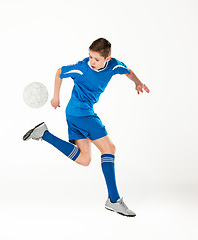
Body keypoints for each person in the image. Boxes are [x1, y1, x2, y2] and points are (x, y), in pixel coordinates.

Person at [23, 38, 150, 217]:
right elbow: (60, 72)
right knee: (109, 148)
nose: (91, 61)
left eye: (96, 59)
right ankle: (114, 200)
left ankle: (44, 134)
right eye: (90, 56)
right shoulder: (82, 68)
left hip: (76, 114)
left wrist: (137, 82)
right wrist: (55, 97)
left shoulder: (114, 66)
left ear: (107, 58)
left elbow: (127, 71)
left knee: (84, 159)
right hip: (81, 113)